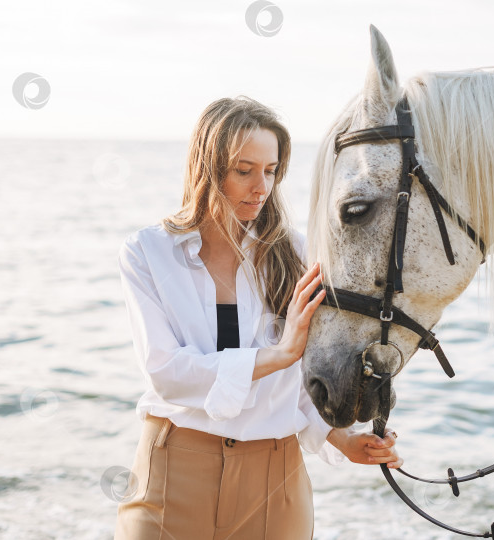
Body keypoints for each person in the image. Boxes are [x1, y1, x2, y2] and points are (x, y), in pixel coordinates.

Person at [113, 96, 401, 540]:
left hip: (275, 479)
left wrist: (340, 437)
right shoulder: (148, 253)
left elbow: (305, 376)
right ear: (207, 169)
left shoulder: (300, 253)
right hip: (174, 472)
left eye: (270, 171)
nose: (260, 187)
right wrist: (278, 354)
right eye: (243, 170)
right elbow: (166, 373)